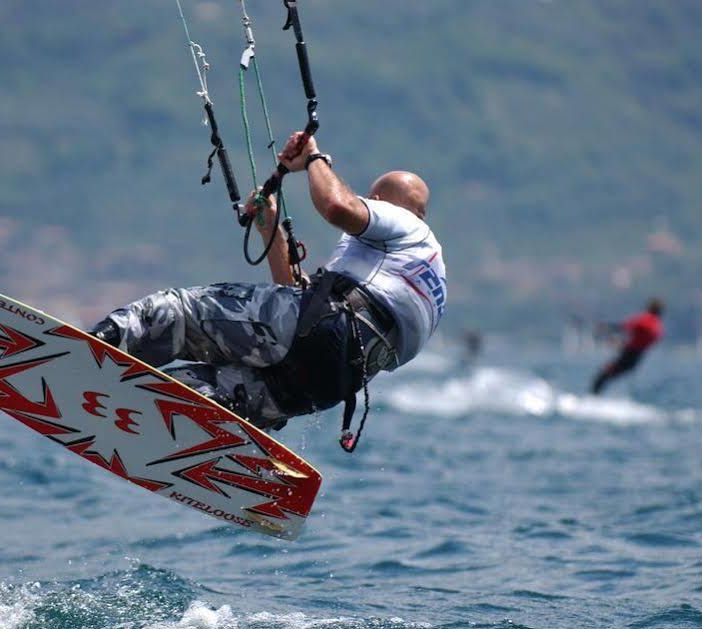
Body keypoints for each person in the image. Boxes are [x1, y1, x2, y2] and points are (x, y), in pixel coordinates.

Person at [88, 132, 447, 448]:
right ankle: (178, 426)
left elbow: (338, 207)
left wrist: (314, 160)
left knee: (179, 313)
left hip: (326, 330)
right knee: (198, 400)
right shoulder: (429, 283)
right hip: (333, 381)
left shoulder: (404, 224)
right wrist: (270, 229)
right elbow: (303, 319)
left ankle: (93, 350)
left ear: (382, 199)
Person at [591, 298, 664, 394]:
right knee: (606, 377)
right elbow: (645, 341)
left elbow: (625, 327)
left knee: (601, 378)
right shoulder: (658, 327)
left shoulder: (646, 320)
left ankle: (592, 399)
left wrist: (606, 327)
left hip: (628, 355)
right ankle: (595, 398)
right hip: (635, 359)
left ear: (650, 308)